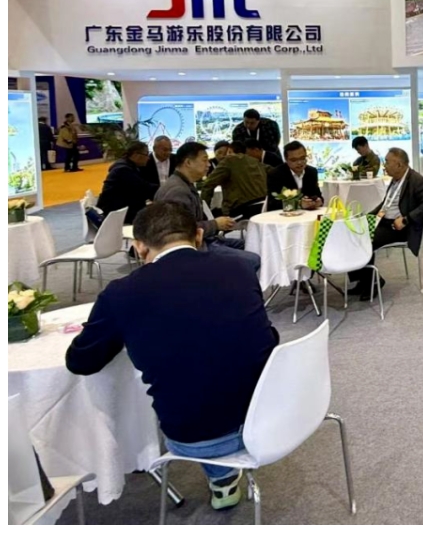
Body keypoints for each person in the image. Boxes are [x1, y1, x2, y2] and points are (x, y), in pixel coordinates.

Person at [65, 202, 278, 511]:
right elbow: (266, 339)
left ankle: (216, 472)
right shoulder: (239, 270)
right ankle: (223, 477)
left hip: (197, 437)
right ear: (199, 235)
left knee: (184, 378)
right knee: (213, 361)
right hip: (273, 416)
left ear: (139, 246)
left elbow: (82, 361)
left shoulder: (122, 293)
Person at [346, 148, 423, 301]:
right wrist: (368, 217)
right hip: (384, 221)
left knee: (366, 240)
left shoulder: (417, 180)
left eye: (387, 162)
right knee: (353, 234)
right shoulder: (395, 179)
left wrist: (406, 219)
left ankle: (372, 283)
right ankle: (364, 279)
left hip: (401, 227)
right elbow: (386, 204)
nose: (384, 165)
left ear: (399, 165)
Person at [154, 141, 260, 272]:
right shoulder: (177, 191)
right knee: (253, 259)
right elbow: (180, 231)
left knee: (253, 245)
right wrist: (215, 224)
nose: (208, 164)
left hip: (204, 240)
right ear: (188, 162)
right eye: (204, 160)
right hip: (194, 248)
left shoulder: (183, 184)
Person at [200, 141, 269, 219]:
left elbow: (208, 185)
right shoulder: (255, 161)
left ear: (230, 151)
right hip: (261, 207)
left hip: (239, 211)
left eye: (225, 152)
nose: (222, 156)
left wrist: (204, 213)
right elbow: (273, 171)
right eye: (219, 153)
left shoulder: (228, 161)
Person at [96, 141, 159, 224]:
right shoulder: (123, 170)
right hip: (115, 215)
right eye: (146, 154)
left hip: (120, 209)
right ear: (136, 155)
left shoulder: (126, 166)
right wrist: (164, 189)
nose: (148, 158)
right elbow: (144, 188)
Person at [267, 141, 323, 211]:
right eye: (294, 160)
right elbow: (273, 203)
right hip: (283, 214)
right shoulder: (276, 174)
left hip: (307, 213)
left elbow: (318, 195)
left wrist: (318, 201)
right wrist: (299, 204)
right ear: (286, 160)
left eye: (302, 158)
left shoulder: (311, 172)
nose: (299, 162)